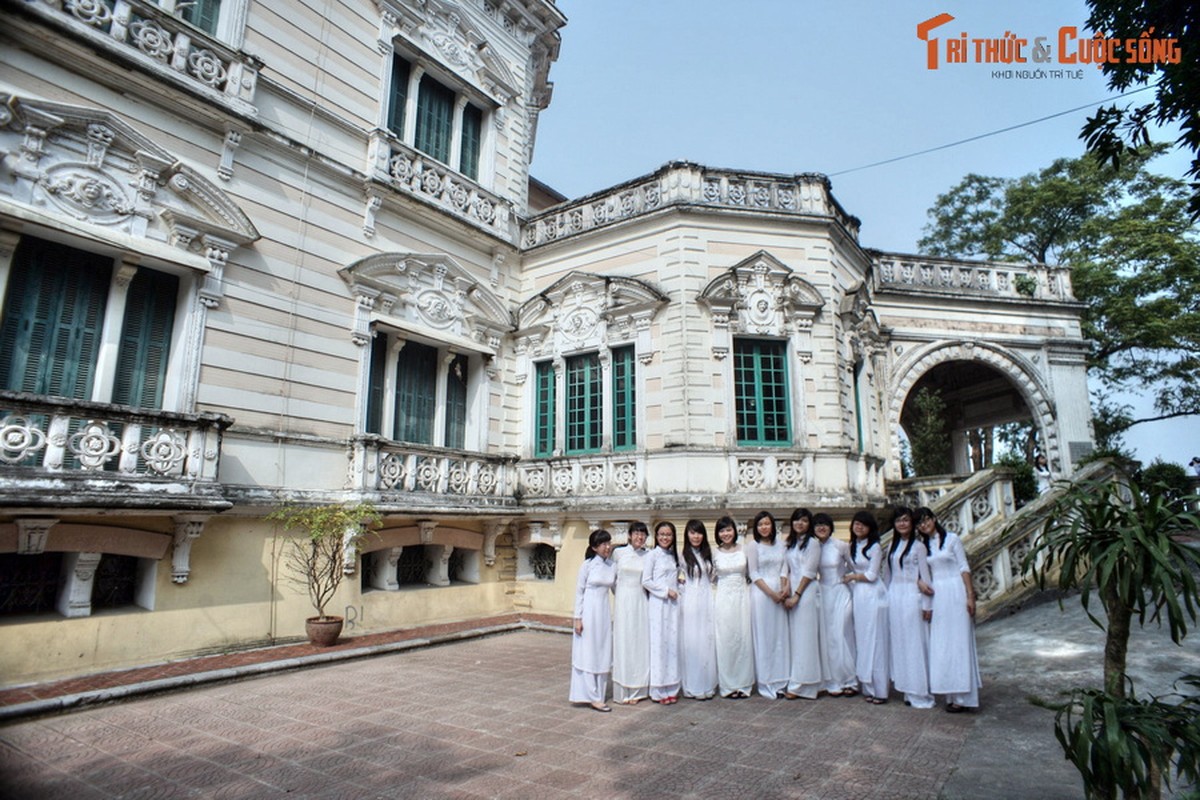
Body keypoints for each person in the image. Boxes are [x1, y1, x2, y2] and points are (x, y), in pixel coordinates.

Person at [917, 507, 982, 712]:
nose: (924, 525)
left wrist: (970, 595)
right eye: (920, 523)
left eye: (927, 520)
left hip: (956, 591)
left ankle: (964, 697)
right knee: (943, 644)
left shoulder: (952, 539)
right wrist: (919, 582)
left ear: (934, 519)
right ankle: (950, 693)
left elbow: (964, 567)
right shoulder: (923, 546)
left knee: (959, 642)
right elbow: (921, 572)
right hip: (939, 595)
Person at [886, 506, 934, 709]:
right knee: (900, 643)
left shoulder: (919, 547)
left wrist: (927, 604)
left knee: (915, 644)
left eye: (906, 520)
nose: (902, 524)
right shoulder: (892, 546)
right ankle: (906, 688)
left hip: (912, 598)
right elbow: (887, 577)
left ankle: (920, 691)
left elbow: (925, 577)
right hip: (895, 596)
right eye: (898, 521)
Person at [569, 529, 617, 712]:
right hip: (589, 612)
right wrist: (577, 618)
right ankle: (591, 696)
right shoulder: (587, 566)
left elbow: (617, 588)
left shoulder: (612, 566)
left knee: (603, 650)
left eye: (608, 543)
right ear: (594, 547)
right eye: (603, 544)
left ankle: (600, 693)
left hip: (604, 613)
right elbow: (579, 592)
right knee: (588, 652)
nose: (607, 547)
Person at [845, 510, 889, 704]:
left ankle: (880, 690)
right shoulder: (852, 546)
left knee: (876, 640)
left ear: (870, 528)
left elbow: (872, 575)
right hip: (859, 596)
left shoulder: (875, 547)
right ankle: (867, 687)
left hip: (873, 594)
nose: (859, 527)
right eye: (856, 523)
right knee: (862, 640)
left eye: (863, 524)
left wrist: (852, 577)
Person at [745, 510, 790, 698]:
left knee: (780, 636)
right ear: (756, 527)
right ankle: (766, 682)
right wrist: (771, 593)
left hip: (780, 593)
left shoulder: (781, 544)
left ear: (772, 525)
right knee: (764, 636)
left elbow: (785, 567)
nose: (764, 527)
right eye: (760, 524)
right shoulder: (753, 546)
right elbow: (753, 573)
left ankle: (781, 680)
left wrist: (784, 587)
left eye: (767, 523)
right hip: (762, 594)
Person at [784, 508, 827, 699]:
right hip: (792, 591)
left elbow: (809, 572)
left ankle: (803, 684)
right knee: (796, 637)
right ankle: (805, 679)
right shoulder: (791, 543)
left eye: (804, 520)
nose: (800, 524)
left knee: (805, 637)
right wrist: (785, 588)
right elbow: (785, 568)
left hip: (806, 592)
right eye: (796, 520)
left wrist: (797, 595)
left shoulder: (813, 543)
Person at [814, 513, 857, 696]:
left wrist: (848, 579)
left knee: (843, 633)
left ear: (830, 526)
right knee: (828, 637)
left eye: (825, 524)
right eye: (818, 525)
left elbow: (854, 567)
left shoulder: (841, 545)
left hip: (840, 593)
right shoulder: (813, 547)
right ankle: (832, 679)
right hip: (823, 593)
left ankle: (850, 678)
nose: (822, 528)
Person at [711, 516, 754, 698]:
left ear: (735, 531)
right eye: (722, 530)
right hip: (722, 597)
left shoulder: (745, 549)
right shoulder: (714, 552)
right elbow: (710, 577)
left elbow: (752, 574)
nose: (726, 534)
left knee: (743, 639)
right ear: (717, 533)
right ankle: (728, 685)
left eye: (728, 530)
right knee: (725, 640)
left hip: (742, 597)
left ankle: (743, 684)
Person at [610, 521, 651, 704]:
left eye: (643, 534)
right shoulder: (619, 553)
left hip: (641, 600)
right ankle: (623, 688)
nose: (639, 537)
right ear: (629, 535)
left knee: (639, 642)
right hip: (623, 601)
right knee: (624, 642)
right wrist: (620, 595)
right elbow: (612, 580)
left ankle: (639, 689)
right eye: (636, 533)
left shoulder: (649, 556)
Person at [642, 520, 682, 704]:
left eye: (668, 534)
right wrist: (666, 591)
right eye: (662, 535)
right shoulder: (652, 555)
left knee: (672, 644)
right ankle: (658, 689)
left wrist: (679, 586)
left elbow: (678, 576)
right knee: (658, 644)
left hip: (673, 605)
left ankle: (672, 686)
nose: (665, 538)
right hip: (658, 604)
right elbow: (646, 581)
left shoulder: (674, 556)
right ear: (656, 537)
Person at [679, 519, 718, 699]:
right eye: (692, 533)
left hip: (707, 599)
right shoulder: (682, 556)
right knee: (693, 642)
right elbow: (676, 578)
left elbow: (714, 578)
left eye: (699, 532)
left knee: (707, 641)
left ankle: (707, 683)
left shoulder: (708, 554)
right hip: (691, 600)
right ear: (687, 535)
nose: (696, 536)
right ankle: (693, 685)